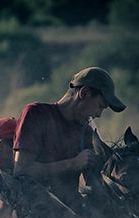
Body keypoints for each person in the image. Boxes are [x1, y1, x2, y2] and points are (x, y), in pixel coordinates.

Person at [14, 66, 125, 210]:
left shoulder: (86, 132)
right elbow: (22, 170)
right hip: (34, 211)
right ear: (84, 93)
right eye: (100, 106)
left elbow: (94, 185)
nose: (99, 114)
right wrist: (73, 163)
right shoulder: (36, 114)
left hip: (71, 211)